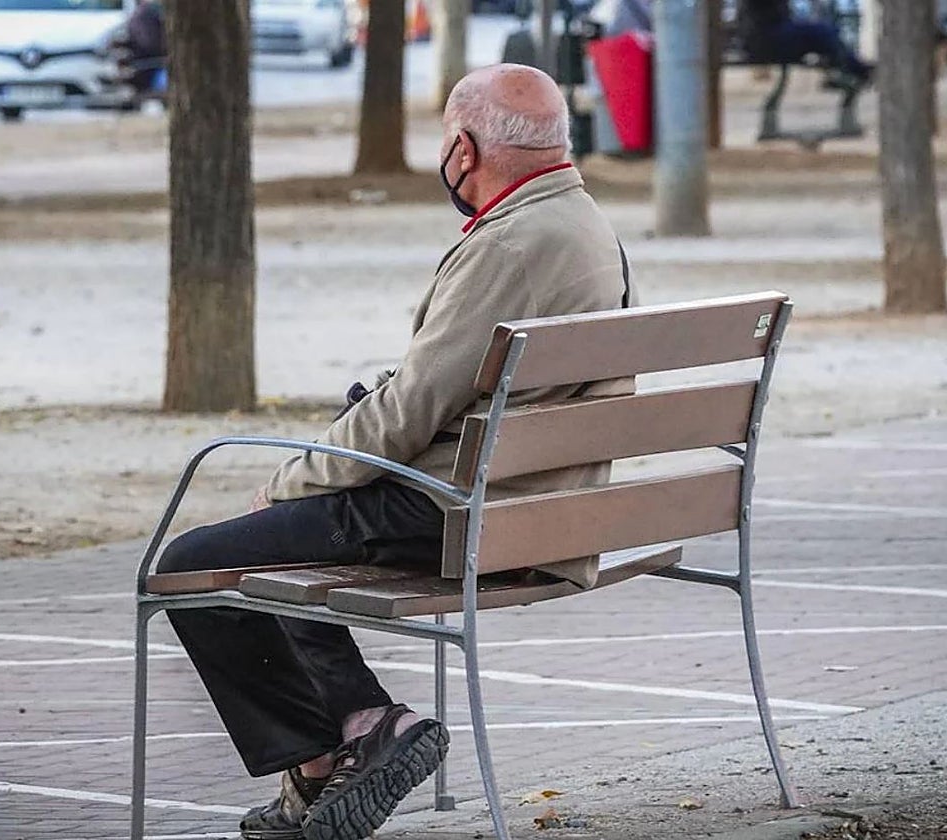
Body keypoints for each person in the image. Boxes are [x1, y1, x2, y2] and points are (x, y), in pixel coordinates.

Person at [155, 64, 634, 840]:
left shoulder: (508, 245)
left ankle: (362, 731)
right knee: (291, 541)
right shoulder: (583, 225)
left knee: (193, 563)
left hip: (457, 508)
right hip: (541, 505)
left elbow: (404, 417)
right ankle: (330, 763)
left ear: (464, 150)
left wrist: (289, 483)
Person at [740, 0, 872, 87]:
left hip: (763, 41)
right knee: (823, 32)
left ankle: (846, 70)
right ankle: (855, 69)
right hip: (768, 41)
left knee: (823, 32)